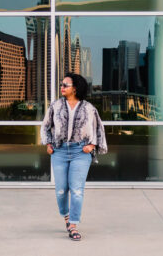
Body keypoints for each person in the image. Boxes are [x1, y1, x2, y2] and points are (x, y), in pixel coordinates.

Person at [40, 73, 107, 241]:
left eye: (65, 85)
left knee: (77, 190)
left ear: (75, 88)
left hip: (80, 152)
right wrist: (48, 144)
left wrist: (92, 145)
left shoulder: (88, 108)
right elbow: (46, 126)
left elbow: (98, 128)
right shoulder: (55, 106)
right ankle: (66, 216)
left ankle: (73, 224)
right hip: (59, 151)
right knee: (61, 190)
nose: (61, 87)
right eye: (62, 84)